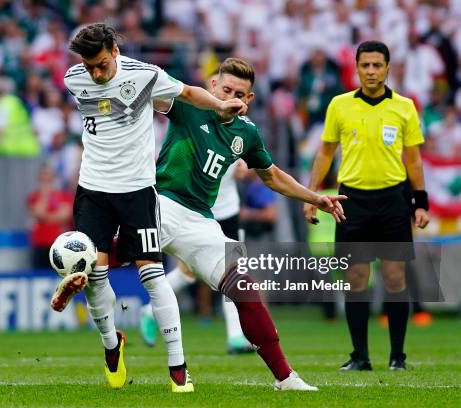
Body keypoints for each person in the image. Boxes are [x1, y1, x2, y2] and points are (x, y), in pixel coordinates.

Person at [52, 23, 247, 393]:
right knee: (95, 276)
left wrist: (222, 104)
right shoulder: (73, 78)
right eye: (89, 65)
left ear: (114, 49)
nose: (95, 72)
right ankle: (112, 345)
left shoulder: (144, 75)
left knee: (153, 276)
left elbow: (188, 92)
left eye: (101, 64)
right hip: (93, 190)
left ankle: (178, 365)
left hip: (138, 192)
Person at [153, 57, 346, 391]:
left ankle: (285, 377)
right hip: (159, 203)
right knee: (101, 256)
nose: (231, 97)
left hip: (200, 218)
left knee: (244, 286)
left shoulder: (247, 133)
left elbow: (271, 176)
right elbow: (150, 92)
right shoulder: (189, 105)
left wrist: (315, 198)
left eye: (238, 94)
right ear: (213, 86)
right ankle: (112, 340)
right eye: (225, 89)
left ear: (249, 99)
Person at [304, 41, 430, 372]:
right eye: (366, 65)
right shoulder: (339, 105)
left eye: (377, 65)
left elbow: (414, 159)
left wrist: (420, 202)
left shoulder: (405, 107)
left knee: (393, 277)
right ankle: (360, 356)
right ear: (357, 68)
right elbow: (325, 152)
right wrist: (312, 194)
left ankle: (397, 357)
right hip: (351, 201)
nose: (371, 71)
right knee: (355, 279)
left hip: (392, 199)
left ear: (388, 68)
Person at [140, 161, 255, 354]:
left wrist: (246, 168)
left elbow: (251, 163)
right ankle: (150, 311)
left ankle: (236, 336)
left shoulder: (242, 131)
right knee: (188, 272)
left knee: (236, 270)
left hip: (228, 211)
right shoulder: (191, 132)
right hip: (198, 211)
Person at [26, 165, 74, 269]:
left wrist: (45, 218)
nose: (46, 179)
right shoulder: (34, 196)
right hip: (40, 244)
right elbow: (38, 212)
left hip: (59, 244)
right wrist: (45, 195)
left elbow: (65, 216)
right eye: (44, 176)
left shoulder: (64, 196)